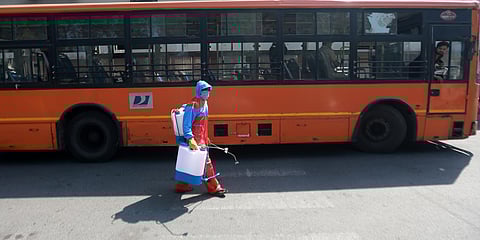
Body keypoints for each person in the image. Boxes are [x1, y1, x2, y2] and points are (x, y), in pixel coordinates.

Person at [174, 80, 227, 197]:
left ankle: (181, 185)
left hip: (202, 139)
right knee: (206, 163)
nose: (207, 93)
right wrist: (190, 139)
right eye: (204, 90)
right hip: (195, 140)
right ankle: (214, 187)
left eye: (208, 90)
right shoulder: (193, 105)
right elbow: (186, 124)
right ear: (198, 91)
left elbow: (203, 124)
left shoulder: (205, 103)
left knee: (188, 162)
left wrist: (206, 136)